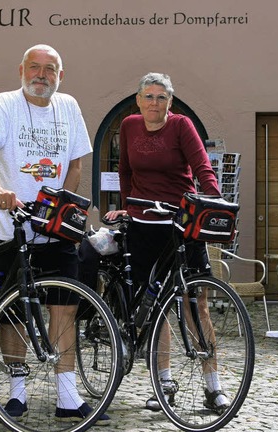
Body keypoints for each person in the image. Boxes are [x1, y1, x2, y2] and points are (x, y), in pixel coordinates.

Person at [0, 44, 108, 422]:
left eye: (51, 69)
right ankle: (16, 391)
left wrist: (59, 206)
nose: (42, 75)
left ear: (60, 76)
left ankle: (67, 395)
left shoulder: (69, 106)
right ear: (21, 70)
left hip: (55, 228)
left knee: (63, 306)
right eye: (35, 67)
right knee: (12, 311)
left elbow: (76, 163)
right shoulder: (4, 104)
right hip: (7, 226)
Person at [103, 72, 229, 412]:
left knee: (196, 303)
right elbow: (126, 171)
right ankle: (164, 382)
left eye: (161, 97)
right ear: (139, 101)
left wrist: (214, 201)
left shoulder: (182, 126)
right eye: (149, 96)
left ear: (170, 103)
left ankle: (213, 385)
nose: (155, 103)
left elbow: (202, 168)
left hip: (181, 223)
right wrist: (127, 208)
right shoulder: (128, 126)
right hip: (143, 224)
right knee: (154, 306)